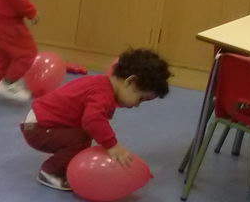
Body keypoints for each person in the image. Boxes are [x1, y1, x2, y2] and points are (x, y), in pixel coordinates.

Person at [21, 48, 171, 191]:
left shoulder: (103, 86)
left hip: (41, 123)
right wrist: (112, 145)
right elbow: (92, 120)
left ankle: (65, 165)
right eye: (141, 98)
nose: (138, 105)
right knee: (79, 139)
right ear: (130, 81)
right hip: (38, 128)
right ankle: (50, 172)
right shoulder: (102, 93)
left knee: (83, 137)